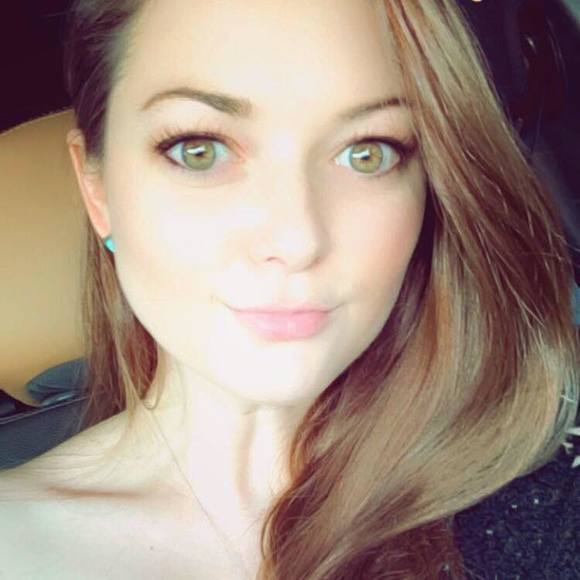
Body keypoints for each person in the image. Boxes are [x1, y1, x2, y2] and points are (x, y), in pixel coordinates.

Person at [1, 0, 578, 578]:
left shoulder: (535, 495)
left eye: (368, 152)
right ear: (98, 191)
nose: (298, 238)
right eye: (200, 151)